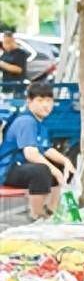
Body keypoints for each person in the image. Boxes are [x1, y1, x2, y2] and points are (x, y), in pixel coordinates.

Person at [0, 82, 76, 220]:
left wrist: (66, 162)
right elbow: (31, 154)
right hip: (8, 170)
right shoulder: (26, 121)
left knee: (64, 168)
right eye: (40, 100)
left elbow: (45, 149)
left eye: (48, 100)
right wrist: (56, 172)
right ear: (29, 102)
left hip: (21, 167)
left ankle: (52, 212)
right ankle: (37, 215)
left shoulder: (38, 123)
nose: (45, 105)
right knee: (41, 171)